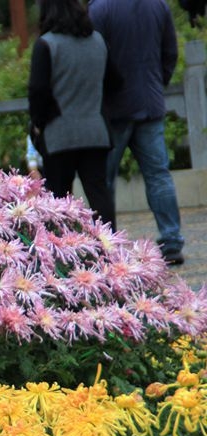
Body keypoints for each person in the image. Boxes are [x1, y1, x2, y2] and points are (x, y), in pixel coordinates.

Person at [89, 0, 185, 265]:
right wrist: (158, 82)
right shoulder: (158, 6)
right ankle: (171, 240)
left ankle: (106, 243)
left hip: (113, 108)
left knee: (103, 180)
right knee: (158, 176)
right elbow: (170, 52)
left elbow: (94, 56)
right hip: (150, 103)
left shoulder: (100, 9)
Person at [28, 0, 116, 230]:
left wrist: (38, 123)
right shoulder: (98, 41)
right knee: (99, 193)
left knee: (59, 199)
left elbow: (38, 90)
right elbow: (115, 82)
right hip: (95, 131)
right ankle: (111, 249)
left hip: (59, 134)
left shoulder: (46, 45)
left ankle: (63, 251)